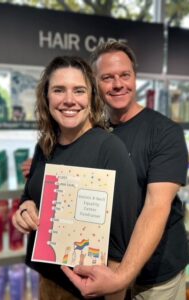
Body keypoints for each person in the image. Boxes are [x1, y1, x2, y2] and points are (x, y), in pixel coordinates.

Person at [61, 41, 189, 300]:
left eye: (125, 75)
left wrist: (121, 277)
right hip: (103, 269)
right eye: (107, 77)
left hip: (154, 278)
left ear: (135, 77)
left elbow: (156, 207)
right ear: (94, 83)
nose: (118, 84)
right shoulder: (91, 132)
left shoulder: (164, 132)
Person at [12, 55, 139, 300]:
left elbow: (121, 248)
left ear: (91, 98)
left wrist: (113, 293)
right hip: (47, 282)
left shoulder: (109, 150)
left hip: (88, 292)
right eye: (59, 90)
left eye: (79, 90)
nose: (69, 100)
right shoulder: (45, 145)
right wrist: (25, 207)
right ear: (46, 97)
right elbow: (30, 194)